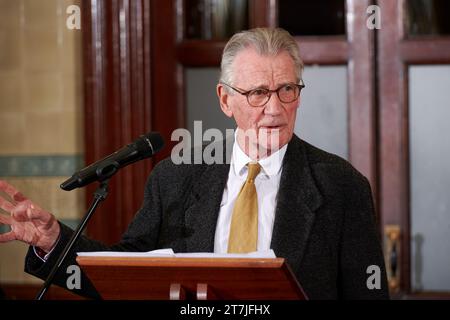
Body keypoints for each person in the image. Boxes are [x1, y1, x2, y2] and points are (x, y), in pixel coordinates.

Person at [0, 27, 389, 300]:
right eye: (257, 93)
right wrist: (54, 241)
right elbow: (125, 278)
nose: (275, 108)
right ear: (225, 100)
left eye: (287, 90)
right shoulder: (176, 177)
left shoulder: (341, 186)